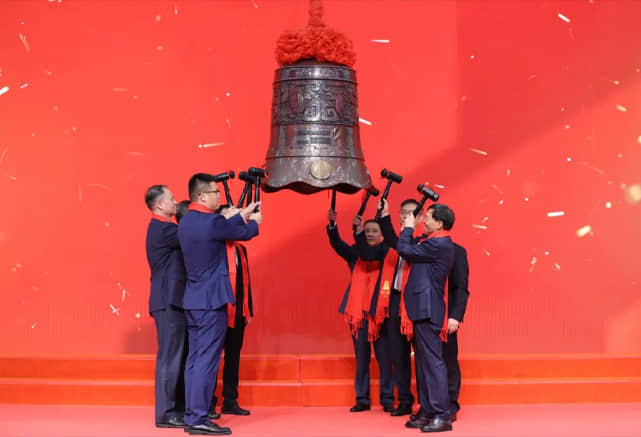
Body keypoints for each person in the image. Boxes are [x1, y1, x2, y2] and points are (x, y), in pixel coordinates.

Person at [178, 173, 261, 436]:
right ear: (202, 196)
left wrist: (242, 213)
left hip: (193, 299)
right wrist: (254, 221)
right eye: (216, 192)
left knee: (194, 360)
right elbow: (244, 233)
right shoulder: (213, 222)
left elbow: (223, 226)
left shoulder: (187, 220)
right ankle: (199, 418)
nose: (219, 196)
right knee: (207, 361)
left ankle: (192, 415)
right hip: (211, 301)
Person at [326, 209, 394, 413]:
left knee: (385, 359)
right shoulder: (355, 252)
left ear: (382, 234)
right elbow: (338, 245)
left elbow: (370, 253)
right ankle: (362, 399)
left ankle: (387, 398)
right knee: (361, 358)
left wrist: (358, 232)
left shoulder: (386, 252)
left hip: (380, 314)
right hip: (358, 315)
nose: (370, 234)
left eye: (374, 231)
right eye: (367, 231)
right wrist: (333, 226)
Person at [397, 204, 455, 433]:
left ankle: (442, 415)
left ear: (440, 223)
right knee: (423, 364)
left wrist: (408, 227)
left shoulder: (439, 243)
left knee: (432, 364)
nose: (424, 221)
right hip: (422, 309)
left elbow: (404, 249)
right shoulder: (431, 242)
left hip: (428, 310)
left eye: (428, 218)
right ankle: (429, 411)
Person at [144, 184, 188, 429]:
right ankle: (165, 413)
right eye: (171, 199)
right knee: (169, 358)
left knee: (175, 356)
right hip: (167, 300)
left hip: (171, 301)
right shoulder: (165, 229)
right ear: (160, 205)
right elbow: (192, 234)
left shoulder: (163, 228)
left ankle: (175, 409)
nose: (175, 202)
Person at [373, 198, 421, 417]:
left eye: (411, 213)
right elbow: (392, 242)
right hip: (394, 301)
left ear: (420, 218)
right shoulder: (393, 245)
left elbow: (397, 242)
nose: (406, 216)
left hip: (414, 305)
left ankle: (426, 402)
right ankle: (404, 400)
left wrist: (385, 217)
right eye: (403, 212)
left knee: (421, 357)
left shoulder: (421, 241)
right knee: (398, 355)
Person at [209, 205, 254, 417]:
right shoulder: (215, 247)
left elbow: (246, 282)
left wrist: (248, 309)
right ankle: (208, 402)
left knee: (233, 357)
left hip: (238, 312)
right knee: (211, 358)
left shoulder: (240, 249)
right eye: (232, 215)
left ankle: (230, 400)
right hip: (218, 310)